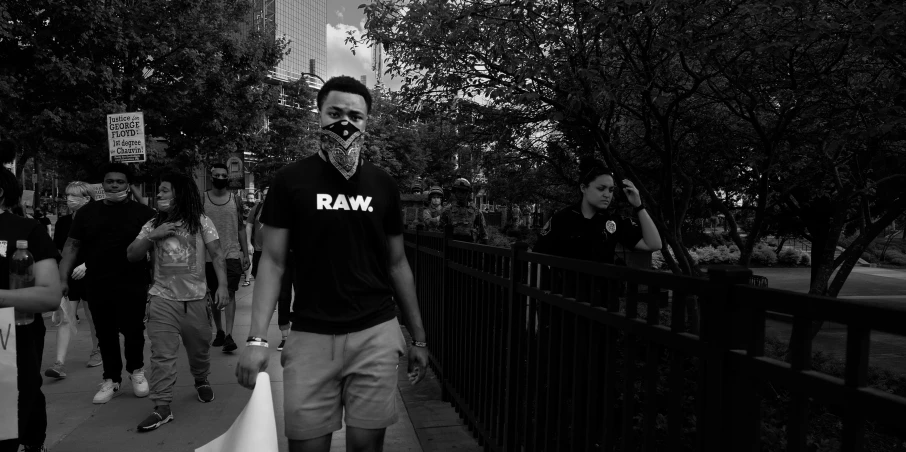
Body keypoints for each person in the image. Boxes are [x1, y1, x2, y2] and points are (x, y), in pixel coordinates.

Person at [235, 75, 430, 452]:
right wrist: (257, 339)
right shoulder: (291, 180)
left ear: (367, 122)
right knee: (307, 446)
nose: (345, 123)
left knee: (366, 446)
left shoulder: (383, 184)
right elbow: (273, 262)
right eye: (335, 112)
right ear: (319, 115)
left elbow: (398, 264)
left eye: (356, 116)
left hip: (375, 331)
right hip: (310, 335)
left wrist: (419, 337)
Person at [126, 173, 229, 432]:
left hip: (195, 301)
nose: (159, 195)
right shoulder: (152, 224)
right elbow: (131, 255)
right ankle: (162, 407)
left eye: (164, 190)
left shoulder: (201, 222)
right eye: (158, 191)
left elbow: (217, 254)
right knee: (162, 356)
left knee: (200, 350)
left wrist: (224, 287)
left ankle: (201, 379)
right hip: (162, 301)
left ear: (179, 195)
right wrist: (154, 235)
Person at [59, 162, 156, 404]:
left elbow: (156, 251)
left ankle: (136, 371)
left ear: (127, 185)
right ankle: (111, 379)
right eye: (110, 181)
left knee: (134, 331)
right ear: (103, 184)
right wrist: (61, 277)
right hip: (98, 283)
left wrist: (157, 281)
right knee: (105, 333)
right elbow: (72, 246)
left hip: (134, 282)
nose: (114, 185)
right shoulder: (86, 213)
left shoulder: (143, 214)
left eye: (120, 181)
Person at [0, 168, 62, 452]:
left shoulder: (26, 231)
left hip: (12, 334)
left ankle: (33, 443)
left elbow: (50, 295)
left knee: (11, 416)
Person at [533, 157, 662, 263]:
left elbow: (654, 244)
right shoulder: (562, 219)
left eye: (611, 190)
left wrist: (639, 206)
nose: (607, 194)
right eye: (601, 189)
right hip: (569, 292)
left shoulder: (613, 221)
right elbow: (537, 257)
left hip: (603, 293)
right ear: (583, 188)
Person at [45, 182, 102, 379]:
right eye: (68, 195)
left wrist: (87, 265)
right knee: (65, 318)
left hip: (92, 274)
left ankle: (98, 350)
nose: (69, 199)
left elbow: (104, 248)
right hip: (68, 276)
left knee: (93, 316)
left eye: (74, 196)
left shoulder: (98, 219)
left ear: (87, 198)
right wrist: (60, 275)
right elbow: (60, 251)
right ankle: (59, 362)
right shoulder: (62, 223)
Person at [203, 163, 250, 353]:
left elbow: (240, 228)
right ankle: (220, 330)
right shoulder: (202, 199)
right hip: (208, 256)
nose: (221, 178)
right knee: (215, 294)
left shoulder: (235, 200)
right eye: (218, 175)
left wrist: (245, 253)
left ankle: (229, 335)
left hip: (230, 254)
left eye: (224, 175)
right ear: (211, 176)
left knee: (230, 293)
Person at [246, 187, 294, 350]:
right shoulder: (261, 209)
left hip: (298, 257)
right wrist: (249, 244)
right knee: (284, 296)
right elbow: (250, 225)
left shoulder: (292, 206)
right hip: (277, 257)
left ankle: (303, 332)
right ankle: (285, 336)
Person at [439, 177, 489, 243]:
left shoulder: (475, 211)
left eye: (463, 192)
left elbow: (483, 233)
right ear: (455, 192)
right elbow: (440, 230)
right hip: (451, 247)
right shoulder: (447, 210)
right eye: (458, 191)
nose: (460, 194)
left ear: (467, 193)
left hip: (470, 248)